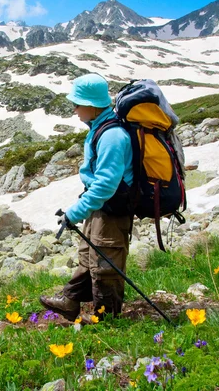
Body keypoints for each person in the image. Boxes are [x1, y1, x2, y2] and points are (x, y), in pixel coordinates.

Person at [40, 73, 134, 322]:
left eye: (77, 104)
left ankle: (107, 321)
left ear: (91, 106)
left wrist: (76, 211)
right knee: (89, 255)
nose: (75, 110)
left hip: (112, 209)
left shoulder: (112, 136)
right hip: (101, 206)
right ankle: (71, 302)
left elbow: (106, 184)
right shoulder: (100, 127)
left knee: (105, 264)